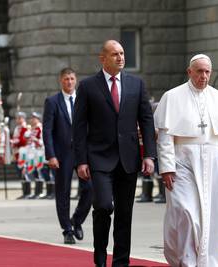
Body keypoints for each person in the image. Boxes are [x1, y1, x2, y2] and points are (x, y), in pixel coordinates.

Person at [154, 54, 218, 267]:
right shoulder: (172, 97)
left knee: (213, 217)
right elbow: (166, 136)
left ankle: (208, 262)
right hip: (182, 161)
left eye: (207, 72)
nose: (203, 76)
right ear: (189, 72)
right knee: (185, 212)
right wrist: (166, 167)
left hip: (215, 165)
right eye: (199, 71)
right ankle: (186, 260)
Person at [73, 40, 156, 267]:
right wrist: (81, 161)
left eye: (122, 53)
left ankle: (121, 262)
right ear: (103, 58)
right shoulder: (88, 86)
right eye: (115, 54)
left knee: (124, 214)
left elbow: (146, 121)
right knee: (103, 206)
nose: (120, 57)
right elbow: (79, 126)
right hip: (99, 158)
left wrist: (149, 154)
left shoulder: (136, 84)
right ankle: (100, 257)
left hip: (128, 159)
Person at [43, 67, 93, 244]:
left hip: (83, 154)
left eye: (72, 79)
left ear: (76, 80)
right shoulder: (52, 101)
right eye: (66, 79)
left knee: (90, 189)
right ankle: (67, 230)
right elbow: (47, 130)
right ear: (60, 81)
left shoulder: (83, 100)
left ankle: (76, 221)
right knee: (63, 192)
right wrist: (51, 155)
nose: (69, 82)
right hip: (62, 154)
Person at [11, 111, 31, 199]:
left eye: (19, 118)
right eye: (17, 118)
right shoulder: (17, 128)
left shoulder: (25, 128)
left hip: (24, 153)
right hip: (17, 153)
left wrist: (15, 142)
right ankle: (24, 192)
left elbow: (24, 141)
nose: (18, 120)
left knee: (24, 172)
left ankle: (28, 193)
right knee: (20, 173)